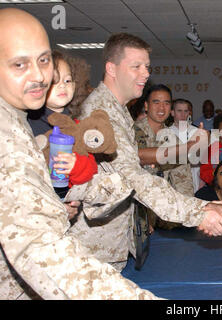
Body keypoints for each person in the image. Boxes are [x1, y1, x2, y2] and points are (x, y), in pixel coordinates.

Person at [0, 7, 162, 300]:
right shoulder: (7, 133)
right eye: (19, 64)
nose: (40, 76)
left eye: (44, 60)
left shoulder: (19, 118)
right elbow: (40, 247)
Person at [77, 33, 222, 270]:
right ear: (112, 68)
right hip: (94, 248)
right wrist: (199, 211)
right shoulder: (101, 113)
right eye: (136, 66)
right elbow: (131, 175)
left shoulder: (117, 111)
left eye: (147, 67)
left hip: (111, 238)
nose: (146, 74)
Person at [27, 50, 98, 200]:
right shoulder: (26, 124)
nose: (62, 86)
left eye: (67, 80)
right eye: (54, 81)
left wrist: (76, 165)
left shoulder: (77, 126)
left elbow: (91, 171)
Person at [135, 85, 194, 230]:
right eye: (156, 102)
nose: (161, 107)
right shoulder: (131, 134)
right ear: (146, 106)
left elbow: (183, 183)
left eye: (166, 103)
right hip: (132, 215)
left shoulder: (175, 142)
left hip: (162, 219)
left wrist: (189, 216)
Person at [169, 98, 203, 193]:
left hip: (195, 177)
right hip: (175, 178)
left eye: (186, 111)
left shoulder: (196, 132)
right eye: (179, 111)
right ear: (172, 113)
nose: (183, 114)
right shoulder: (167, 132)